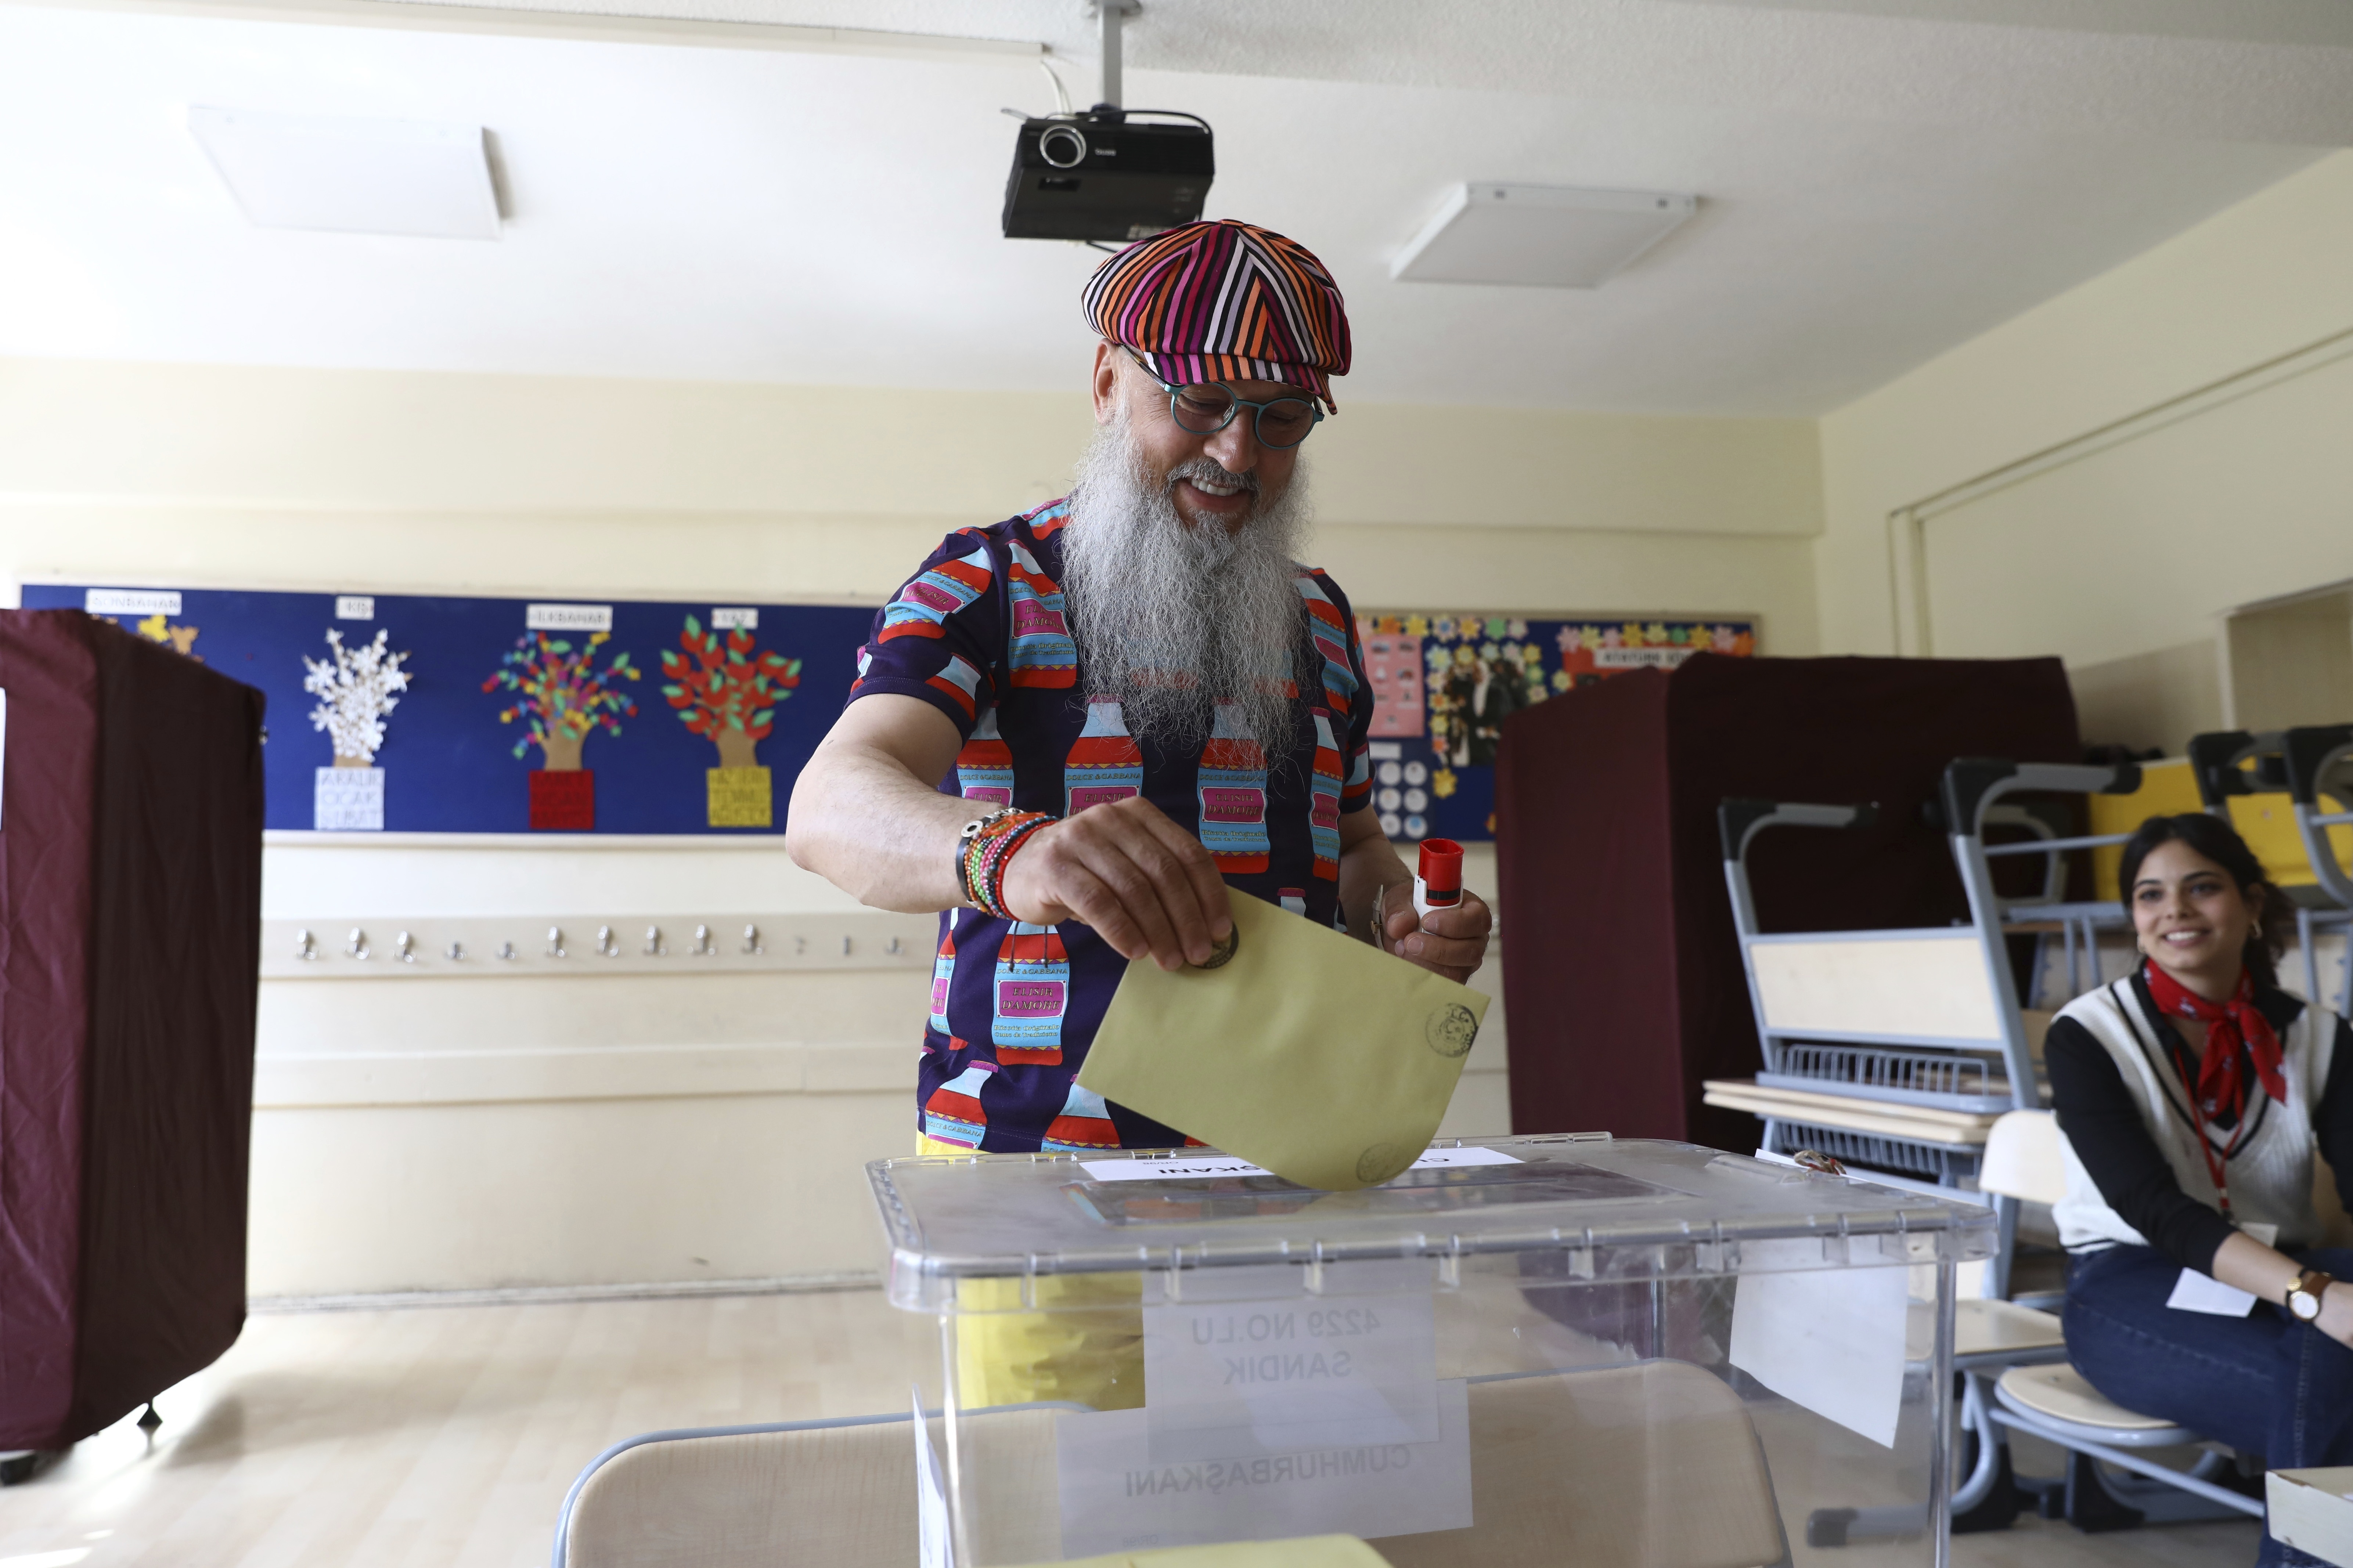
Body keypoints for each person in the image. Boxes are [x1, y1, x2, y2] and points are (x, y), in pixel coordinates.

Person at [785, 220, 1493, 1406]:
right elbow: (827, 804)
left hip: (1283, 1162)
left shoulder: (1317, 617)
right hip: (1035, 1178)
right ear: (1109, 383)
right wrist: (1017, 856)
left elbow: (1355, 844)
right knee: (1057, 1522)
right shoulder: (986, 583)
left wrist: (1405, 922)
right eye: (1202, 402)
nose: (1237, 451)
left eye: (1279, 419)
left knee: (1279, 1517)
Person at [2045, 812, 2353, 1563]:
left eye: (2201, 887)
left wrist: (2312, 1286)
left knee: (2330, 1357)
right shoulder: (2086, 1034)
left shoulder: (2317, 1033)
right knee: (2328, 1377)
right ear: (2134, 919)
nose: (2173, 910)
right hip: (2125, 1282)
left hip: (2280, 1269)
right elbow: (2153, 1210)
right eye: (2149, 895)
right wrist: (2311, 1291)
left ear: (2251, 905)